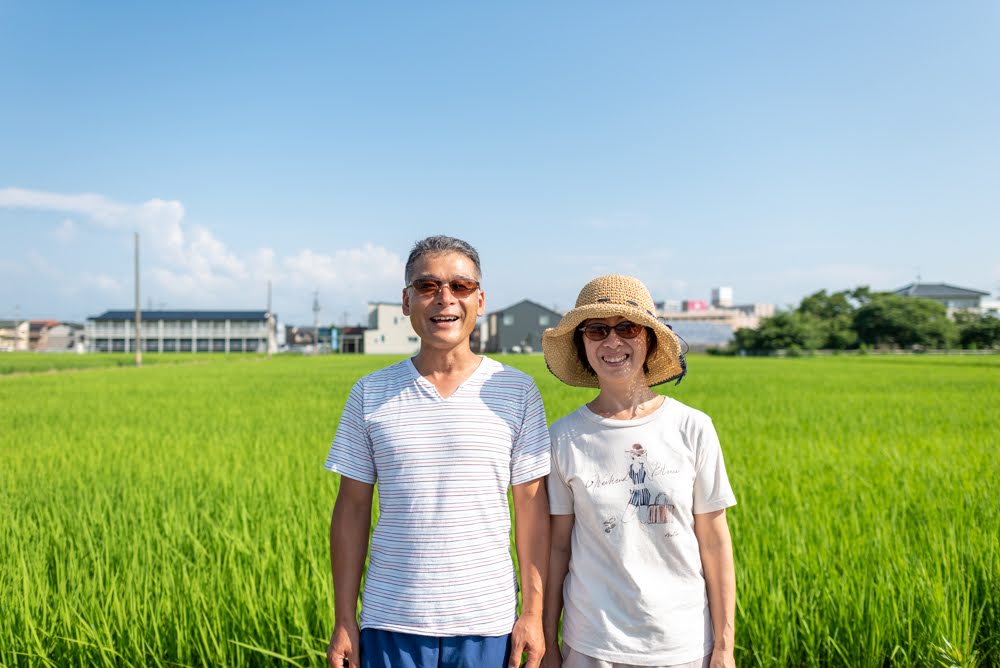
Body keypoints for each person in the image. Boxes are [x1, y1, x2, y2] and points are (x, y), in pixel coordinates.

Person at [325, 235, 552, 668]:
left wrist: (533, 615)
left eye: (460, 286)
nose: (444, 298)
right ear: (406, 301)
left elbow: (532, 509)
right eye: (427, 286)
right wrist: (343, 618)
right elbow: (352, 508)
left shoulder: (516, 390)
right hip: (390, 621)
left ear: (480, 300)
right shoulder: (370, 393)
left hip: (488, 623)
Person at [540, 275, 737, 668]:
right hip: (593, 644)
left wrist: (725, 647)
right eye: (597, 330)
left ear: (649, 338)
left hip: (683, 644)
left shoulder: (692, 427)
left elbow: (715, 542)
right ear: (582, 343)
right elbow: (558, 547)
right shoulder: (564, 436)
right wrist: (548, 639)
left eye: (627, 328)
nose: (612, 342)